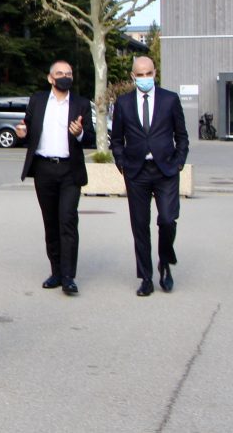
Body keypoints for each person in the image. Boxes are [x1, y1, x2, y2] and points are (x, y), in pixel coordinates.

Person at [110, 56, 190, 297]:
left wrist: (178, 163)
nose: (145, 78)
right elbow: (116, 140)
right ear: (133, 77)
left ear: (155, 73)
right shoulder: (123, 103)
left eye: (149, 73)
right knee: (140, 226)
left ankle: (165, 262)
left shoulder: (170, 99)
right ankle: (145, 277)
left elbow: (182, 136)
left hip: (165, 170)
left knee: (167, 219)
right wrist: (121, 162)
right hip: (136, 172)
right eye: (140, 75)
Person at [16, 60, 96, 295]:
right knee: (51, 222)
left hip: (70, 170)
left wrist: (80, 133)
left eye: (69, 73)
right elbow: (27, 129)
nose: (65, 77)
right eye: (60, 73)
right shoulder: (38, 100)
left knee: (67, 221)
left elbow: (90, 137)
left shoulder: (81, 104)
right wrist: (22, 133)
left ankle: (69, 277)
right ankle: (56, 272)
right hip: (43, 169)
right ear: (50, 78)